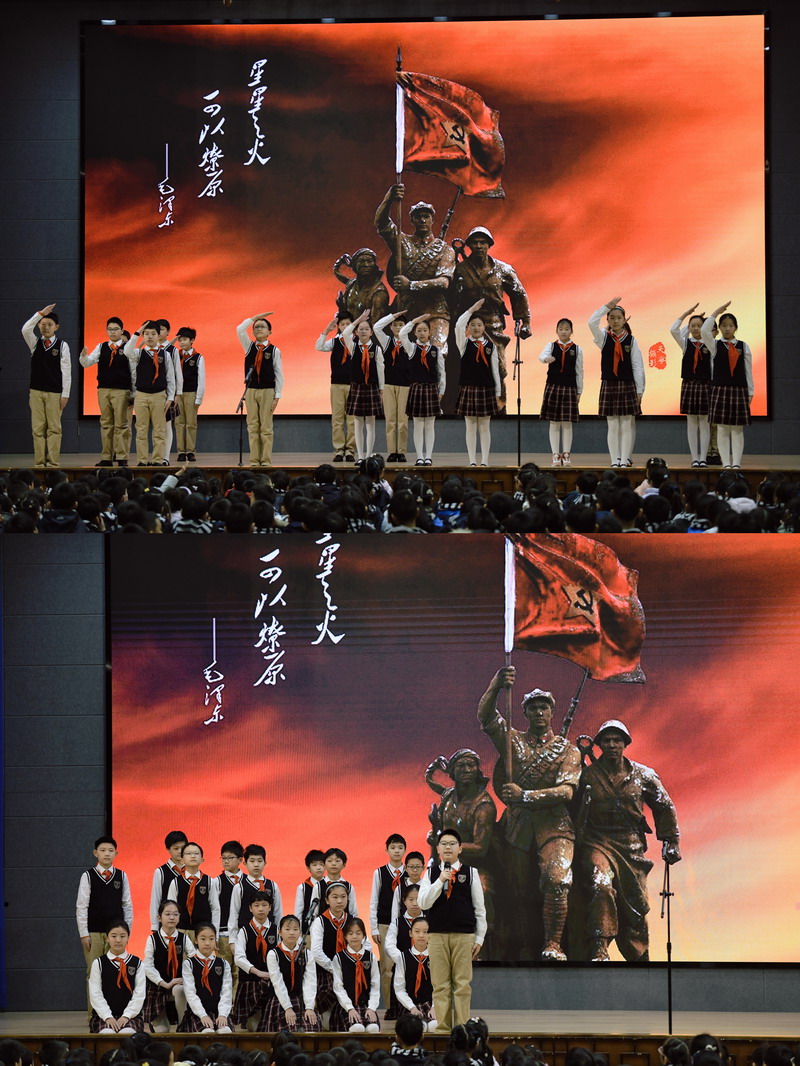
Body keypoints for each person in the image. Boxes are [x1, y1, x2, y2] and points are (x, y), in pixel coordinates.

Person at [477, 666, 580, 961]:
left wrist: (524, 795)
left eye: (544, 707)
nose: (539, 712)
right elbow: (486, 717)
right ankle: (523, 944)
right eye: (533, 708)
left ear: (552, 712)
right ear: (525, 713)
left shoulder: (568, 751)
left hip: (554, 825)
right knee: (518, 891)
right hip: (518, 826)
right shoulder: (513, 741)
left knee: (557, 879)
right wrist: (497, 683)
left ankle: (553, 944)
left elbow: (566, 792)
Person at [576, 719, 681, 962]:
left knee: (636, 905)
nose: (612, 745)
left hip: (631, 846)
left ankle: (639, 957)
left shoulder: (644, 775)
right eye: (607, 740)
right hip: (597, 842)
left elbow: (664, 806)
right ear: (599, 744)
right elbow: (572, 807)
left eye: (617, 740)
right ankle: (599, 946)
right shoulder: (587, 775)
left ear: (625, 744)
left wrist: (671, 841)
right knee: (601, 884)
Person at [451, 226, 532, 408]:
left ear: (489, 245)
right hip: (469, 324)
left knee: (498, 367)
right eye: (475, 242)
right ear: (469, 245)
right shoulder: (460, 270)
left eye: (483, 242)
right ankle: (469, 406)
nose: (479, 246)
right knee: (468, 367)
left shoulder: (503, 269)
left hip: (493, 322)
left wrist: (525, 321)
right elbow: (452, 298)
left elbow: (519, 294)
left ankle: (499, 407)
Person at [416, 829, 485, 1033]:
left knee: (462, 984)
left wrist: (479, 938)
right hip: (437, 935)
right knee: (440, 985)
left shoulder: (471, 872)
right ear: (437, 849)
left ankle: (462, 1030)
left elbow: (480, 909)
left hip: (464, 936)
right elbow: (423, 903)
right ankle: (443, 1029)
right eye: (444, 843)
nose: (448, 847)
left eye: (452, 843)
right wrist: (440, 881)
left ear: (460, 848)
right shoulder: (431, 873)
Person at [425, 749, 497, 944]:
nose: (466, 770)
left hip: (476, 866)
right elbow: (430, 781)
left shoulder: (483, 806)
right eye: (461, 766)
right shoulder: (449, 797)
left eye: (471, 765)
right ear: (452, 772)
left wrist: (446, 846)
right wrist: (433, 767)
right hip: (447, 864)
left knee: (481, 891)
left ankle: (484, 940)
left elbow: (480, 848)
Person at [375, 185, 455, 354]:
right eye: (418, 217)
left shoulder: (445, 250)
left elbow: (443, 282)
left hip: (435, 309)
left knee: (437, 352)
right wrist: (390, 197)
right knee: (399, 353)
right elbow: (381, 222)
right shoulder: (402, 242)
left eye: (426, 216)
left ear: (432, 220)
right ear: (412, 220)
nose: (422, 220)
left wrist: (410, 285)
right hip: (406, 308)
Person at [76, 835, 134, 1021]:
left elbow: (127, 905)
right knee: (93, 973)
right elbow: (82, 906)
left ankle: (114, 1013)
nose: (107, 854)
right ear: (95, 853)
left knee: (115, 972)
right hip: (93, 933)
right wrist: (84, 934)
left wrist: (127, 932)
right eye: (103, 850)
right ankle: (94, 1016)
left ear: (116, 853)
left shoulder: (121, 876)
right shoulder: (88, 876)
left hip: (116, 933)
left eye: (110, 851)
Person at [588, 298, 645, 468]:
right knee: (612, 425)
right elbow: (591, 322)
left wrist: (640, 390)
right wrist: (606, 307)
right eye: (612, 317)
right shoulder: (603, 338)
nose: (615, 321)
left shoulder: (631, 340)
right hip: (609, 383)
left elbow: (638, 366)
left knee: (626, 425)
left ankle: (625, 459)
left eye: (619, 318)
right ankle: (615, 460)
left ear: (624, 319)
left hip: (627, 384)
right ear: (607, 320)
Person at [701, 302, 754, 469]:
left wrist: (750, 391)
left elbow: (748, 370)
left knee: (737, 429)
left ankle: (736, 464)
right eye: (724, 325)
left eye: (731, 325)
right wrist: (716, 312)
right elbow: (704, 331)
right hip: (720, 389)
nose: (727, 328)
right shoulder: (715, 345)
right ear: (720, 328)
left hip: (739, 389)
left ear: (735, 327)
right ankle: (726, 464)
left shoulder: (743, 346)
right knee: (722, 428)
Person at [21, 303, 71, 468]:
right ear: (39, 326)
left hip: (55, 393)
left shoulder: (62, 346)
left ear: (56, 327)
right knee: (37, 429)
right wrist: (40, 314)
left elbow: (66, 372)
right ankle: (40, 464)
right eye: (42, 324)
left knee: (54, 429)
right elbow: (25, 329)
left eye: (49, 324)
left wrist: (65, 395)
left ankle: (53, 463)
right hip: (36, 392)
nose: (46, 327)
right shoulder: (35, 343)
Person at [453, 300, 502, 466]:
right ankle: (472, 461)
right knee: (470, 427)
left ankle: (485, 461)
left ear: (484, 327)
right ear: (468, 327)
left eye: (479, 325)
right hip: (468, 388)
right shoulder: (464, 344)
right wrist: (471, 309)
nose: (476, 328)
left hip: (486, 389)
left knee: (485, 427)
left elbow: (495, 370)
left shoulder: (491, 346)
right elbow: (458, 326)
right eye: (473, 325)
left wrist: (497, 393)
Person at [79, 316, 133, 467]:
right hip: (103, 390)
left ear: (122, 330)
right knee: (106, 424)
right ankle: (107, 457)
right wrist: (83, 356)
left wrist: (133, 392)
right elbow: (87, 363)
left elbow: (133, 372)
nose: (113, 332)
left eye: (116, 329)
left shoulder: (127, 348)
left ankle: (121, 457)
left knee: (121, 424)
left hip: (122, 390)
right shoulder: (101, 346)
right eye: (110, 329)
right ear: (106, 331)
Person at [124, 321, 176, 467]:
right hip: (141, 395)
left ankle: (157, 460)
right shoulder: (138, 353)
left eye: (153, 333)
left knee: (159, 430)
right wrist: (137, 332)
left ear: (158, 335)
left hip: (159, 396)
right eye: (146, 334)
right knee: (141, 430)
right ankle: (142, 460)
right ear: (143, 336)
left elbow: (170, 377)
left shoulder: (165, 354)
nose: (150, 336)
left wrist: (170, 397)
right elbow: (127, 351)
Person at [236, 313, 283, 468]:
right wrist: (255, 317)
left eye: (262, 326)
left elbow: (279, 374)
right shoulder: (249, 347)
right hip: (251, 390)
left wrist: (277, 396)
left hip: (268, 391)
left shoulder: (274, 350)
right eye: (256, 327)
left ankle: (266, 461)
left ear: (270, 332)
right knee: (253, 426)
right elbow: (239, 329)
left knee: (266, 427)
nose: (259, 329)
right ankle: (255, 461)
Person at [399, 314, 445, 466]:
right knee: (418, 425)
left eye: (425, 330)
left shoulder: (435, 350)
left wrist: (441, 390)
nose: (422, 333)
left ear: (429, 332)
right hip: (417, 388)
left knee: (430, 425)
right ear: (415, 332)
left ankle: (428, 456)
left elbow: (441, 372)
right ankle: (419, 457)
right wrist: (414, 321)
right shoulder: (412, 348)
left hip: (431, 388)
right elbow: (402, 334)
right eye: (419, 330)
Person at [142, 900, 195, 1033]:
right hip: (157, 986)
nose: (172, 917)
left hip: (177, 983)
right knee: (162, 1031)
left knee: (180, 989)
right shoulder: (152, 939)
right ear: (159, 917)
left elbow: (194, 960)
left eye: (175, 914)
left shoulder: (184, 938)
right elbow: (148, 966)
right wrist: (164, 983)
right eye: (167, 914)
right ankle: (158, 1020)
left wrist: (186, 978)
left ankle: (183, 1023)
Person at [669, 304, 712, 467]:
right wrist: (686, 314)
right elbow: (673, 330)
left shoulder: (711, 343)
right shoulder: (686, 343)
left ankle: (703, 459)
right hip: (689, 384)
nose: (695, 328)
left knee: (705, 423)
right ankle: (695, 458)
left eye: (699, 326)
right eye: (692, 326)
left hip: (705, 385)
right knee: (692, 423)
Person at [369, 833, 407, 1012]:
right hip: (384, 925)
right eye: (393, 847)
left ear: (405, 850)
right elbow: (373, 901)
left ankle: (407, 1006)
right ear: (386, 851)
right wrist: (374, 928)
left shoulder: (410, 872)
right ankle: (391, 1007)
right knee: (387, 968)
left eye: (400, 847)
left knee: (407, 965)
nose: (396, 851)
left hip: (407, 925)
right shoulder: (380, 873)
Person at [341, 311, 385, 463]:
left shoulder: (376, 349)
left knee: (371, 424)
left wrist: (381, 389)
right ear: (356, 332)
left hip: (372, 387)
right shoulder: (353, 347)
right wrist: (358, 319)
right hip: (357, 387)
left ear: (371, 332)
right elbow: (345, 333)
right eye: (360, 329)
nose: (363, 331)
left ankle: (369, 455)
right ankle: (360, 456)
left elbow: (380, 369)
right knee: (358, 424)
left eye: (366, 329)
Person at [539, 318, 583, 467]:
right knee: (554, 422)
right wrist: (546, 359)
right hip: (553, 386)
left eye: (567, 329)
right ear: (556, 331)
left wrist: (579, 390)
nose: (564, 332)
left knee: (567, 423)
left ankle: (567, 455)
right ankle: (555, 456)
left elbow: (579, 371)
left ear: (572, 331)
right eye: (561, 329)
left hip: (570, 388)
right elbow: (541, 356)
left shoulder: (577, 349)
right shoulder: (551, 346)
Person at [264, 914, 320, 1032]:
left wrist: (309, 1007)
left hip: (301, 999)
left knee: (311, 1027)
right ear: (280, 932)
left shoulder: (307, 954)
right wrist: (288, 1008)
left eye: (295, 929)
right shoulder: (273, 954)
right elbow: (277, 983)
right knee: (289, 1029)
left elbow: (310, 981)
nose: (291, 933)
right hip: (280, 999)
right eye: (287, 929)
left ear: (300, 932)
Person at [88, 920, 146, 1034]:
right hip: (103, 1016)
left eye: (122, 936)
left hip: (131, 1016)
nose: (118, 940)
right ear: (107, 938)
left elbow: (139, 994)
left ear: (128, 938)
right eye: (113, 936)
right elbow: (95, 994)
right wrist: (107, 1016)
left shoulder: (137, 963)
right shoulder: (98, 963)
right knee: (107, 1033)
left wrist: (127, 1015)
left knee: (127, 1033)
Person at [232, 891, 277, 1031]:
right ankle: (249, 1017)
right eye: (256, 905)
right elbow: (239, 958)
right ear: (250, 908)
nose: (261, 909)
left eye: (264, 905)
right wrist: (258, 972)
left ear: (270, 907)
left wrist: (273, 974)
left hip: (272, 981)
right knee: (256, 1028)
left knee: (272, 1024)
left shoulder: (277, 931)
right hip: (250, 982)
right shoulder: (244, 931)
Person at [310, 881, 353, 1026]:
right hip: (326, 971)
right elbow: (316, 952)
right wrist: (335, 968)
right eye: (335, 897)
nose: (339, 901)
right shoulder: (319, 922)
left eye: (343, 897)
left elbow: (363, 946)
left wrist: (347, 966)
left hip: (348, 970)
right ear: (327, 900)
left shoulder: (352, 921)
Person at [177, 922, 232, 1034]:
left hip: (218, 1011)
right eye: (203, 939)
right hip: (197, 1013)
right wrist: (202, 1015)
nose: (207, 943)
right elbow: (190, 993)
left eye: (211, 939)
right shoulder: (189, 964)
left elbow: (226, 992)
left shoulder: (223, 964)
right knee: (207, 1032)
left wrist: (222, 1014)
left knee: (225, 1031)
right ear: (196, 940)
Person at [315, 313, 356, 463]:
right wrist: (327, 330)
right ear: (338, 326)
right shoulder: (335, 342)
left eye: (348, 324)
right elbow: (319, 346)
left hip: (354, 385)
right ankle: (339, 450)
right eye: (342, 324)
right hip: (337, 384)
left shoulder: (357, 342)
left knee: (352, 420)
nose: (345, 327)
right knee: (337, 419)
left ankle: (350, 450)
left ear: (353, 325)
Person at [330, 917, 380, 1033]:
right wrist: (349, 1008)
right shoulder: (339, 958)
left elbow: (375, 985)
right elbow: (338, 987)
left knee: (373, 1028)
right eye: (350, 933)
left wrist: (372, 1008)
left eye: (358, 933)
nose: (354, 936)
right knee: (357, 1028)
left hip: (366, 1005)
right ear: (345, 936)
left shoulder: (371, 957)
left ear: (364, 936)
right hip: (346, 1007)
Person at [374, 310, 411, 462]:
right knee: (390, 420)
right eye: (395, 325)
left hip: (405, 385)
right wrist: (392, 316)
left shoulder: (410, 344)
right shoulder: (387, 342)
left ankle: (401, 451)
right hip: (388, 385)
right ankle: (391, 451)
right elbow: (376, 327)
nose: (398, 328)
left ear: (406, 327)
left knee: (402, 421)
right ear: (390, 327)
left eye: (401, 325)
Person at [228, 843, 283, 942]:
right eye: (252, 861)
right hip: (245, 935)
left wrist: (280, 936)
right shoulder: (239, 887)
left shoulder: (273, 886)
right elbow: (234, 914)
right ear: (245, 863)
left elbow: (278, 913)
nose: (256, 865)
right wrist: (232, 940)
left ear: (265, 863)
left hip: (269, 935)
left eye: (260, 861)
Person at [209, 840, 244, 989]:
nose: (226, 861)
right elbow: (214, 910)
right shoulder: (216, 882)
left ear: (240, 860)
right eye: (223, 858)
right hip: (223, 934)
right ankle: (225, 1002)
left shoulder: (248, 881)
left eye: (230, 858)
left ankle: (238, 1001)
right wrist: (215, 936)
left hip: (242, 933)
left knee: (241, 972)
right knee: (224, 972)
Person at [392, 916, 436, 1032]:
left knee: (434, 1026)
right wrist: (411, 1007)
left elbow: (440, 986)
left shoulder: (435, 956)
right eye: (417, 931)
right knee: (417, 1027)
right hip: (409, 1005)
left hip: (431, 1004)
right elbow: (399, 989)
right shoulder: (403, 957)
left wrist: (435, 1007)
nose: (421, 935)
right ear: (410, 933)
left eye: (425, 932)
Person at [168, 842, 213, 937]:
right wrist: (171, 931)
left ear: (202, 859)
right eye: (188, 853)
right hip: (181, 929)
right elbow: (171, 908)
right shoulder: (175, 882)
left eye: (196, 853)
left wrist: (214, 932)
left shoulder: (210, 881)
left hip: (203, 931)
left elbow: (215, 908)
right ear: (182, 860)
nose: (193, 856)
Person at [333, 247, 390, 322]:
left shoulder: (378, 292)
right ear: (354, 265)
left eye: (369, 261)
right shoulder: (352, 284)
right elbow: (338, 274)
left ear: (374, 265)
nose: (366, 264)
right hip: (348, 327)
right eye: (361, 261)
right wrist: (339, 262)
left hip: (365, 329)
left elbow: (376, 323)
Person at [174, 327, 205, 462]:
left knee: (191, 423)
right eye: (180, 340)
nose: (181, 342)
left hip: (191, 393)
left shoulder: (198, 357)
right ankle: (181, 451)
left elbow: (201, 378)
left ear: (192, 340)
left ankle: (190, 451)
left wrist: (199, 397)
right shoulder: (175, 355)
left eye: (185, 339)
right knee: (179, 423)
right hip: (178, 395)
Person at [150, 831, 189, 931]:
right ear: (168, 849)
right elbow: (156, 900)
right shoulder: (161, 872)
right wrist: (155, 926)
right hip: (168, 924)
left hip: (189, 924)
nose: (180, 851)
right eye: (176, 848)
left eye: (183, 848)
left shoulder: (192, 871)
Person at [157, 320, 182, 464]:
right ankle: (156, 457)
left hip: (168, 393)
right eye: (157, 329)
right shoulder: (149, 348)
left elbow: (178, 372)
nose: (159, 332)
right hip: (152, 392)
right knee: (155, 427)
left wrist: (177, 393)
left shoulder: (172, 350)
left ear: (168, 332)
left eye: (162, 329)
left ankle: (165, 457)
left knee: (167, 425)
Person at [294, 849, 326, 941]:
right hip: (307, 932)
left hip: (326, 930)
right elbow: (298, 912)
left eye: (321, 864)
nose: (319, 868)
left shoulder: (330, 886)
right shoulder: (302, 888)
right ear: (308, 868)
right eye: (315, 865)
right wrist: (299, 933)